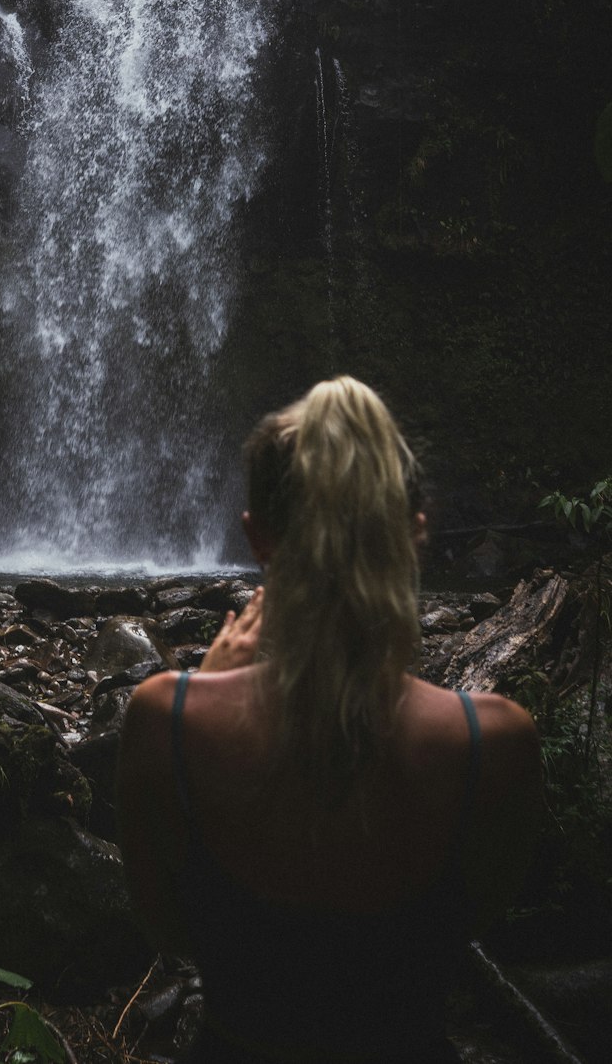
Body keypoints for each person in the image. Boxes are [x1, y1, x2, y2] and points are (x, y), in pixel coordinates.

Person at [116, 376, 541, 1063]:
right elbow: (474, 916)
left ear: (258, 538)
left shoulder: (166, 719)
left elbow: (168, 929)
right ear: (414, 532)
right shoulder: (497, 743)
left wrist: (209, 686)